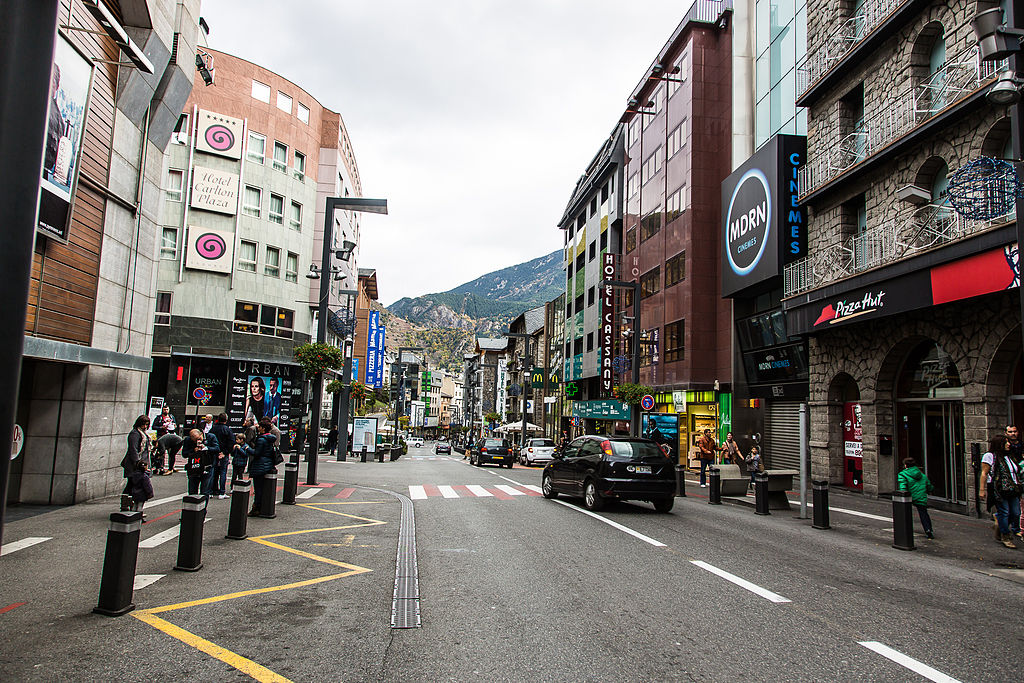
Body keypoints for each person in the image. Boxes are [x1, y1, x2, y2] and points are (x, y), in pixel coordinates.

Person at [980, 434, 1023, 548]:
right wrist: (982, 489)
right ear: (999, 444)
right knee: (1005, 511)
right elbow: (984, 473)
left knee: (1016, 512)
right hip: (998, 488)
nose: (1008, 444)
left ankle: (999, 523)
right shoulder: (990, 456)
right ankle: (1005, 536)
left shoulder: (1009, 456)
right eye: (1006, 442)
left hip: (1013, 488)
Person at [245, 417, 279, 516]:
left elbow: (257, 453)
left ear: (263, 428)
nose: (258, 428)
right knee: (263, 488)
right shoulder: (270, 438)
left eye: (260, 426)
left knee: (258, 488)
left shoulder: (261, 439)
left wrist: (247, 448)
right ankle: (264, 507)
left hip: (260, 465)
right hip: (268, 464)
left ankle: (257, 508)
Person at [897, 457, 935, 539]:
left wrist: (902, 495)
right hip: (921, 496)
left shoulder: (903, 474)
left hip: (909, 497)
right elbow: (929, 486)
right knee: (923, 513)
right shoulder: (921, 475)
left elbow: (902, 486)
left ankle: (905, 529)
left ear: (906, 465)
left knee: (905, 513)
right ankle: (928, 530)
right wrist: (930, 490)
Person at [120, 415, 152, 513]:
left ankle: (129, 505)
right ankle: (126, 505)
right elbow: (133, 449)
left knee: (135, 485)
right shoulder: (135, 434)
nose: (145, 426)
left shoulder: (142, 433)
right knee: (132, 484)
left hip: (142, 462)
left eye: (147, 424)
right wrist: (138, 463)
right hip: (135, 464)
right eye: (143, 424)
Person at [209, 413, 235, 499]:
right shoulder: (227, 430)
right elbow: (231, 442)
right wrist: (225, 452)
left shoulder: (213, 429)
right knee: (223, 472)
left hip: (214, 452)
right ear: (226, 420)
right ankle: (222, 492)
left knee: (213, 472)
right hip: (223, 453)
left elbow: (209, 439)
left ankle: (212, 491)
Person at [182, 429, 213, 496]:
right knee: (192, 491)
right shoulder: (188, 440)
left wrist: (205, 448)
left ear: (201, 434)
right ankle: (192, 505)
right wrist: (193, 450)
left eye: (198, 439)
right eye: (194, 440)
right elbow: (184, 454)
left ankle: (204, 506)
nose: (197, 441)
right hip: (193, 468)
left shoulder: (210, 437)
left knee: (205, 491)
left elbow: (216, 448)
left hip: (206, 466)